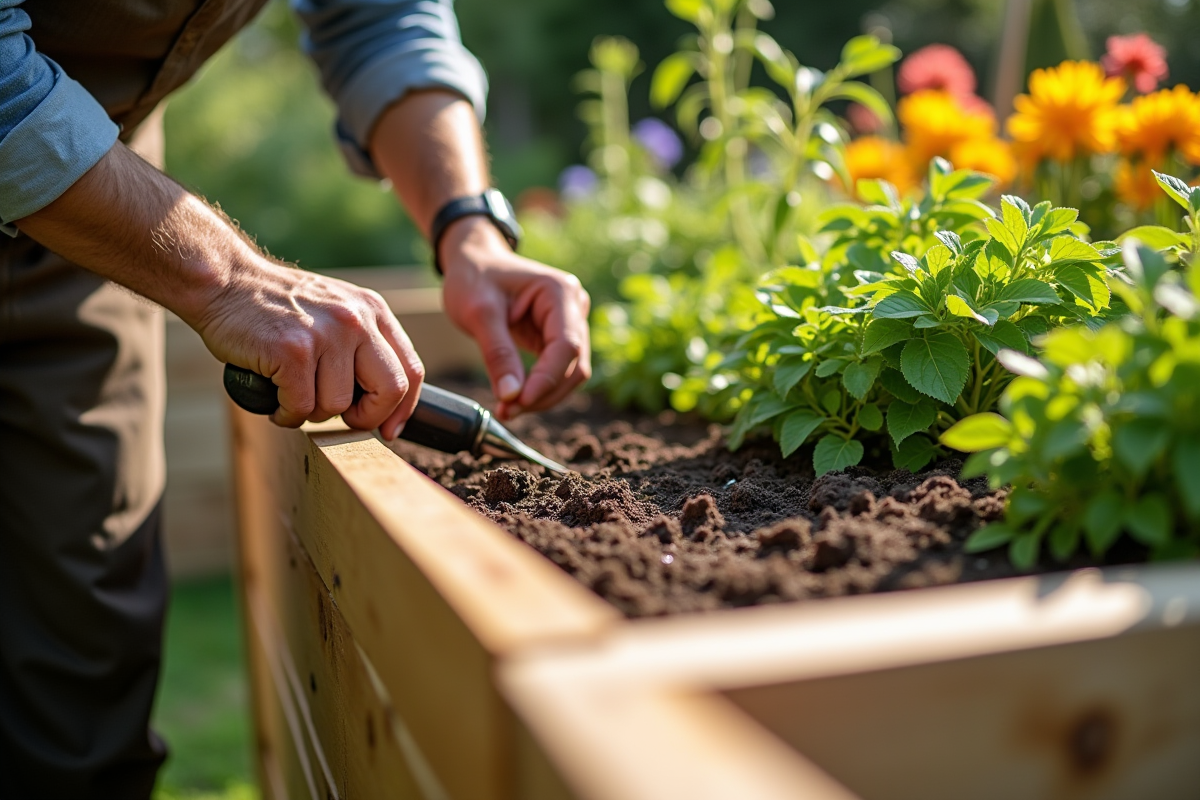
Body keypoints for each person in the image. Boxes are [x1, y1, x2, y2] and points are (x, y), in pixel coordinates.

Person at [0, 0, 591, 795]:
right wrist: (230, 278)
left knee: (80, 684)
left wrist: (467, 229)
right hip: (69, 171)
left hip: (86, 216)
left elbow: (379, 16)